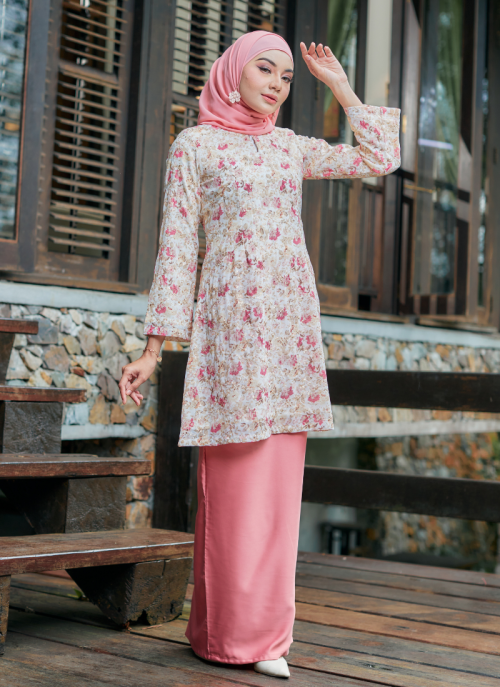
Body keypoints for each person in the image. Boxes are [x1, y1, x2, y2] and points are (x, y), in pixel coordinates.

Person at [119, 30, 401, 679]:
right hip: (231, 337)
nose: (276, 84)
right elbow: (177, 249)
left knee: (277, 494)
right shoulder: (195, 147)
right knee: (235, 493)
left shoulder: (288, 147)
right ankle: (228, 634)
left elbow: (379, 157)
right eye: (265, 70)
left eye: (286, 77)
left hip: (289, 336)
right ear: (233, 73)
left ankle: (262, 634)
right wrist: (154, 347)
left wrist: (339, 86)